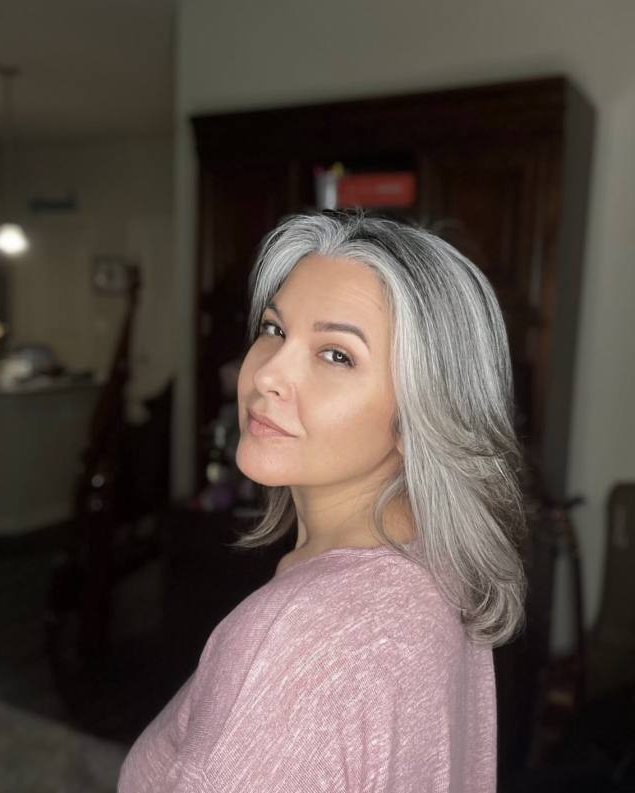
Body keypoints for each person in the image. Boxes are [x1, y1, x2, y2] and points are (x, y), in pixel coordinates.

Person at [118, 209, 527, 792]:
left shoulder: (295, 642)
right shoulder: (437, 568)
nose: (267, 374)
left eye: (336, 354)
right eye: (274, 329)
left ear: (422, 413)